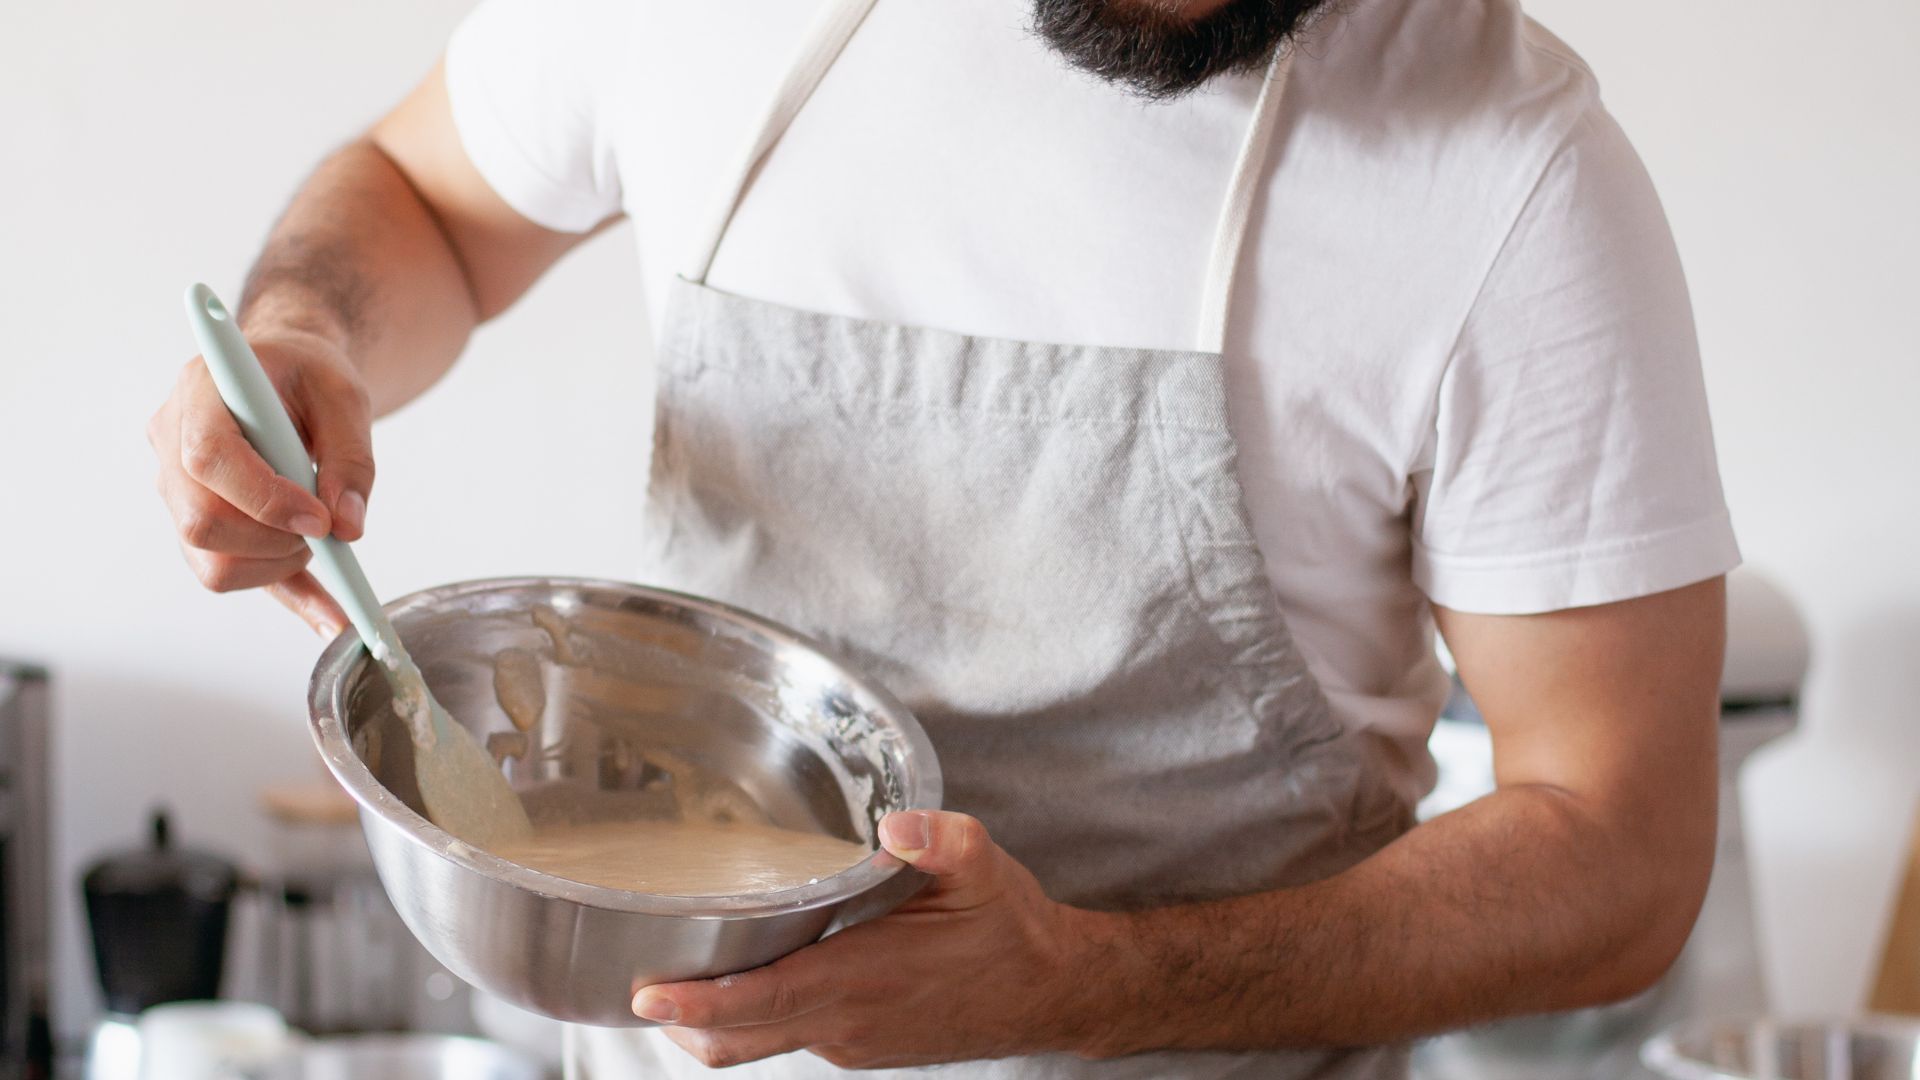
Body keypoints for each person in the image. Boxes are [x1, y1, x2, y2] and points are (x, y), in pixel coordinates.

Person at [147, 0, 1739, 1075]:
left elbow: (1618, 851)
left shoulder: (1514, 179)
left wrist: (1094, 981)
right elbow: (423, 198)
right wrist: (311, 332)